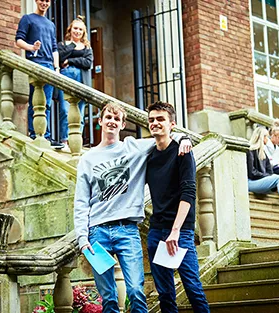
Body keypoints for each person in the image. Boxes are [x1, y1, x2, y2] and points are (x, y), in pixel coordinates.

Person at [74, 103, 191, 313]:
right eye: (108, 117)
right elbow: (81, 202)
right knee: (108, 297)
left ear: (122, 124)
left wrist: (184, 137)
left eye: (116, 119)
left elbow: (165, 137)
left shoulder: (134, 147)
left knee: (136, 291)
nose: (112, 121)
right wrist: (83, 239)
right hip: (97, 233)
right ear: (100, 121)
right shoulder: (87, 159)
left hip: (127, 231)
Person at [145, 101, 210, 313]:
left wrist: (175, 231)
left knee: (193, 288)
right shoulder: (149, 155)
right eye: (152, 119)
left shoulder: (183, 152)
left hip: (180, 232)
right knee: (165, 293)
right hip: (156, 231)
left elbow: (189, 192)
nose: (155, 123)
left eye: (160, 119)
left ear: (172, 123)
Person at [15, 0, 64, 148]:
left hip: (50, 66)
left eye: (47, 1)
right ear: (36, 1)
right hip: (35, 63)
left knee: (46, 103)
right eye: (42, 0)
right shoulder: (27, 19)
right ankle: (35, 133)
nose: (44, 3)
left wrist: (56, 68)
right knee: (36, 101)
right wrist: (31, 47)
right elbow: (18, 40)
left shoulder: (51, 24)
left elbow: (54, 48)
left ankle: (45, 135)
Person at [58, 16, 93, 146]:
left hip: (81, 80)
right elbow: (60, 57)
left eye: (80, 29)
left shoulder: (87, 48)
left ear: (83, 32)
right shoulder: (62, 45)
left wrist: (70, 61)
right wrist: (72, 44)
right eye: (75, 28)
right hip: (66, 77)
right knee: (65, 109)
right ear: (70, 29)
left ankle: (76, 141)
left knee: (79, 111)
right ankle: (65, 140)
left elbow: (88, 62)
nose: (77, 31)